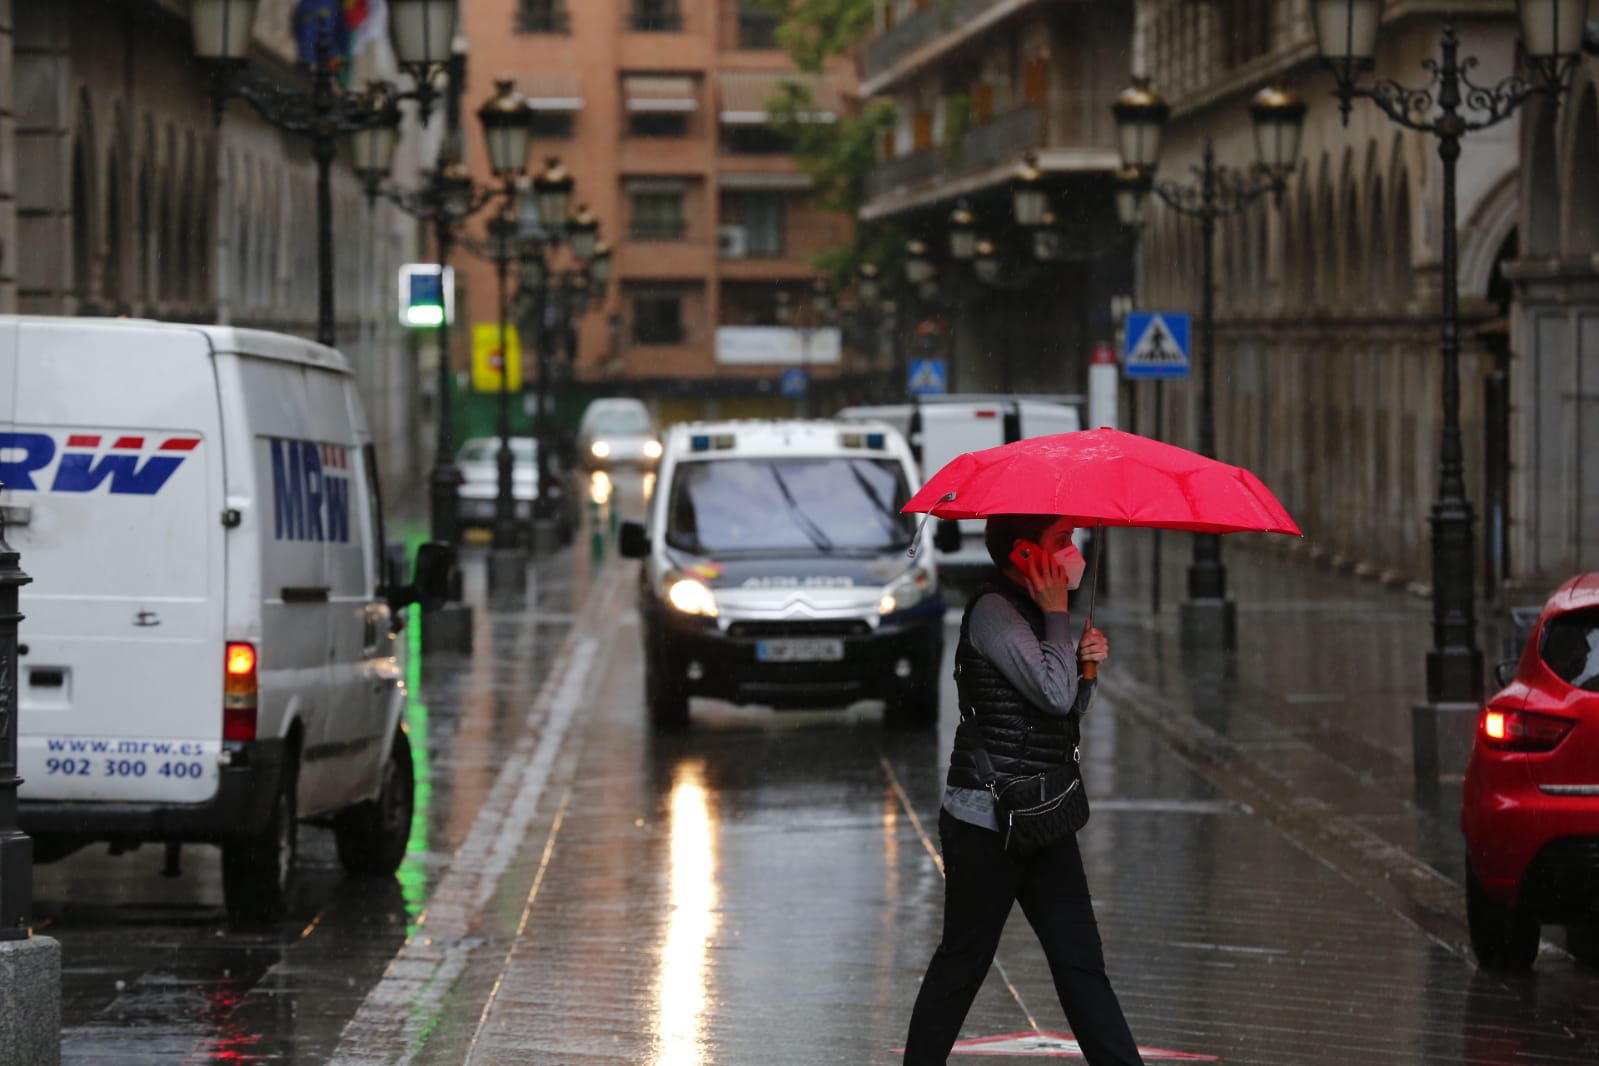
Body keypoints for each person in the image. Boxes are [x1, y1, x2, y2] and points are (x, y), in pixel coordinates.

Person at [902, 513, 1144, 1066]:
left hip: (1044, 815)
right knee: (963, 963)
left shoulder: (1039, 615)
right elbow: (1053, 696)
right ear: (1024, 555)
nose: (1073, 548)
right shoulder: (994, 613)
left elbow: (1065, 712)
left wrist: (1087, 670)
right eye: (1060, 540)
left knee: (1081, 965)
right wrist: (1060, 620)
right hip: (988, 822)